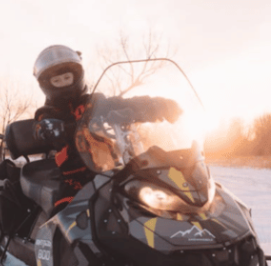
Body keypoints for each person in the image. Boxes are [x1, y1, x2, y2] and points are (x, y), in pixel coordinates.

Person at [33, 44, 182, 209]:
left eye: (67, 78)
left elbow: (122, 104)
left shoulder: (95, 102)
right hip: (73, 176)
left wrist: (156, 105)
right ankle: (56, 233)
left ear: (76, 77)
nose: (63, 83)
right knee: (66, 209)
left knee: (151, 194)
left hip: (112, 169)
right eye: (57, 81)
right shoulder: (47, 112)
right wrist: (53, 129)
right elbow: (41, 128)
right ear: (48, 85)